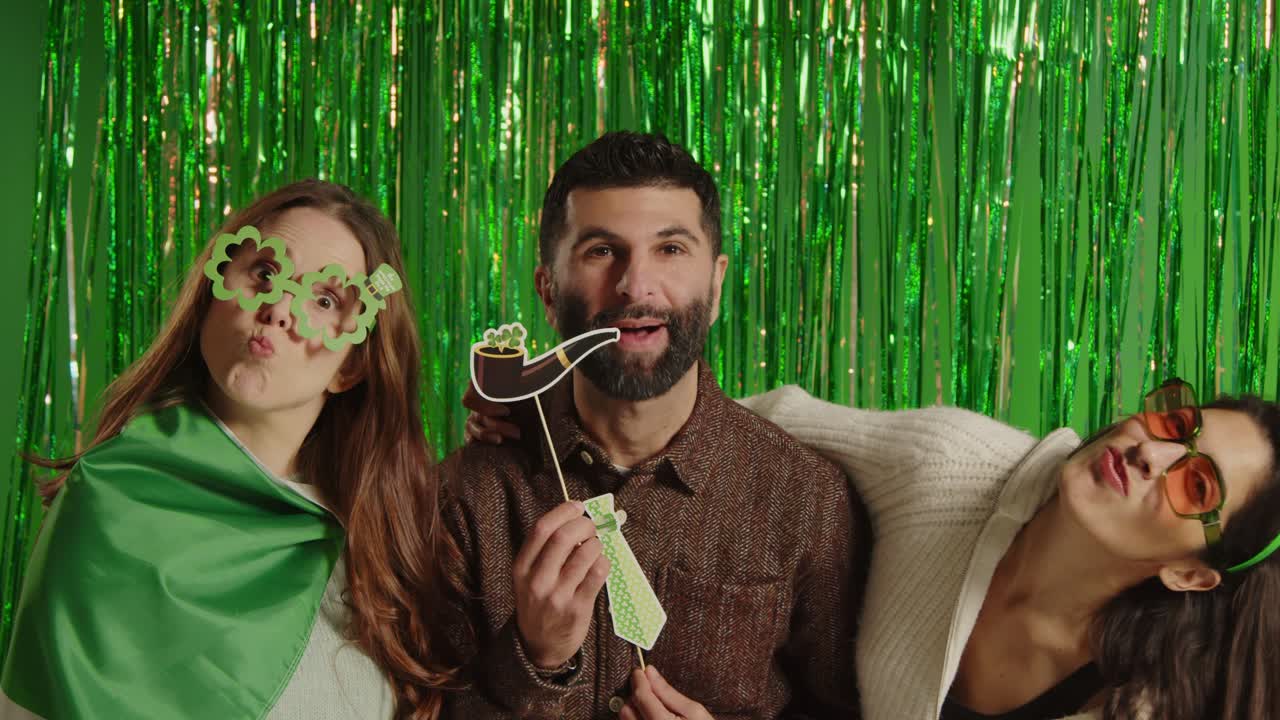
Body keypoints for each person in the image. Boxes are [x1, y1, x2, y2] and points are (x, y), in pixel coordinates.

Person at [472, 377, 1280, 719]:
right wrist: (563, 403)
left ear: (1190, 571)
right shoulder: (947, 464)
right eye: (1178, 425)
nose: (1151, 453)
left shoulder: (1145, 705)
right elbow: (757, 421)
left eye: (1196, 487)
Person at [441, 131, 870, 719]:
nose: (635, 285)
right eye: (600, 251)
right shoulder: (464, 496)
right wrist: (537, 664)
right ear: (547, 290)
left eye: (670, 249)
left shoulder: (804, 499)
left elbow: (845, 709)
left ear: (715, 285)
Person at [2, 180, 464, 720]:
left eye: (324, 298)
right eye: (265, 273)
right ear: (212, 293)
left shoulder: (384, 540)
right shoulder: (108, 497)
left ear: (351, 366)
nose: (278, 309)